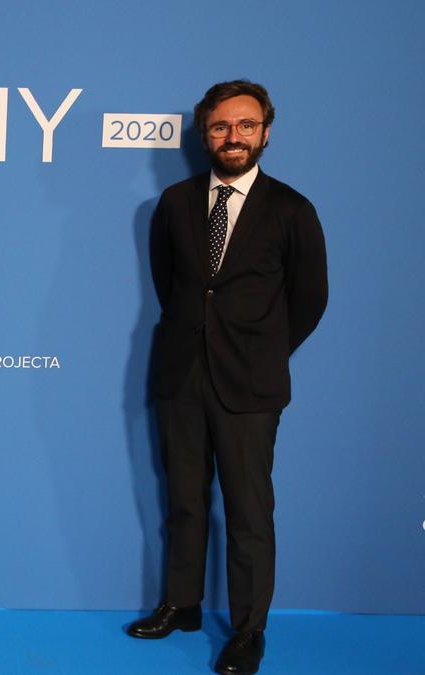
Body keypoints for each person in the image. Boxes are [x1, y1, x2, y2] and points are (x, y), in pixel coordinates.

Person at [128, 80, 328, 674]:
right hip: (180, 378)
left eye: (244, 125)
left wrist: (259, 352)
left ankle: (248, 630)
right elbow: (172, 286)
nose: (232, 136)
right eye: (220, 126)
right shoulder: (175, 203)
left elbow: (310, 299)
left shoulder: (292, 209)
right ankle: (182, 604)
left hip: (251, 386)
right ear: (204, 134)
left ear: (266, 132)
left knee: (247, 510)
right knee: (184, 502)